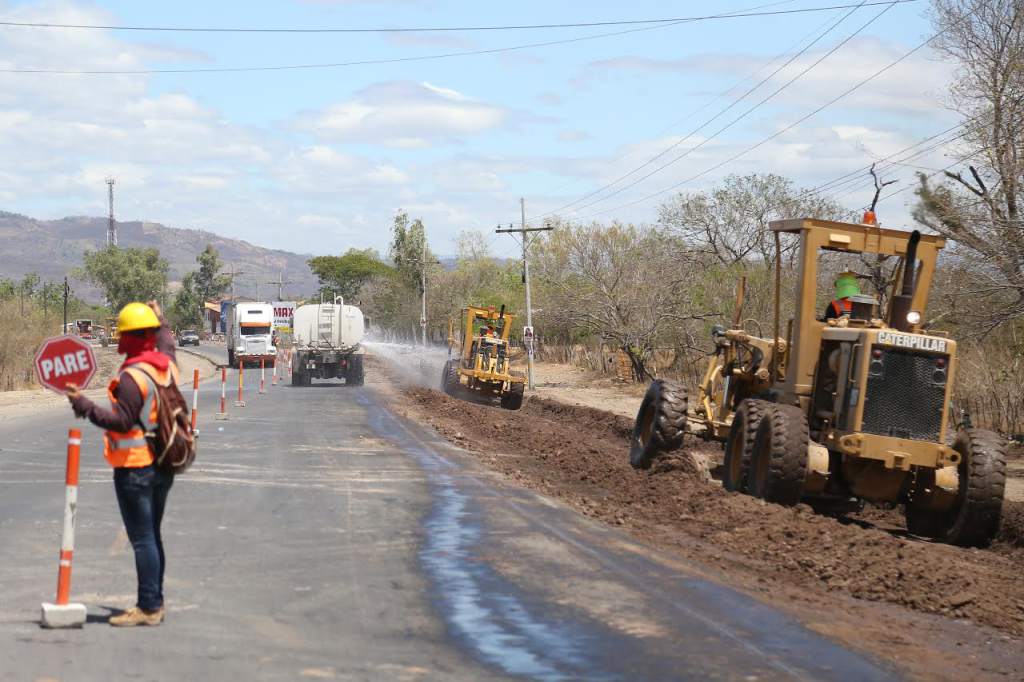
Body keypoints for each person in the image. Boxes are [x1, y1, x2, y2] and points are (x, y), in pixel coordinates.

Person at [66, 300, 179, 627]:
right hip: (163, 463)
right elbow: (168, 344)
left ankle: (147, 607)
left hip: (136, 466)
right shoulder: (165, 366)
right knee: (153, 536)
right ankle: (155, 602)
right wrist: (161, 321)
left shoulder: (133, 376)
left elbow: (121, 421)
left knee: (143, 538)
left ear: (129, 337)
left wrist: (84, 405)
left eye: (123, 333)